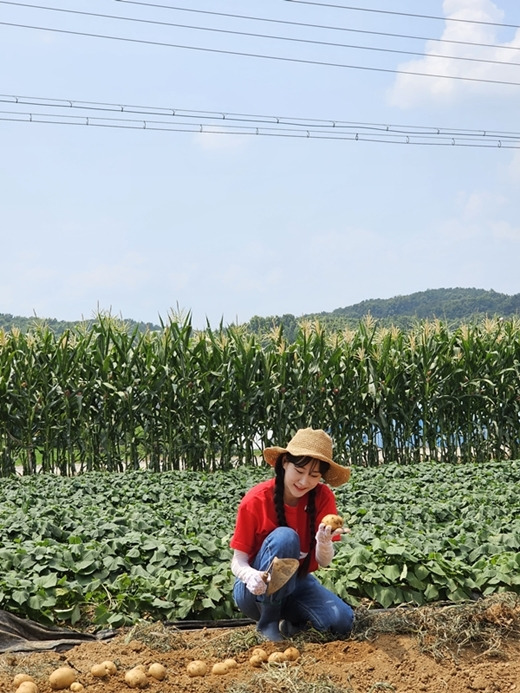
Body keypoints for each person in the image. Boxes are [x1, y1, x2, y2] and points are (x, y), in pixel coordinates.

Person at [230, 427, 354, 641]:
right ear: (285, 463)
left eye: (314, 475)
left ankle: (292, 624)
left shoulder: (323, 498)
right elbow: (237, 561)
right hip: (254, 593)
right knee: (286, 538)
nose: (304, 481)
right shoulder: (256, 500)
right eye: (299, 470)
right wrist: (250, 575)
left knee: (342, 622)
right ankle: (268, 622)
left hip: (296, 584)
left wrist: (323, 543)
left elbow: (323, 563)